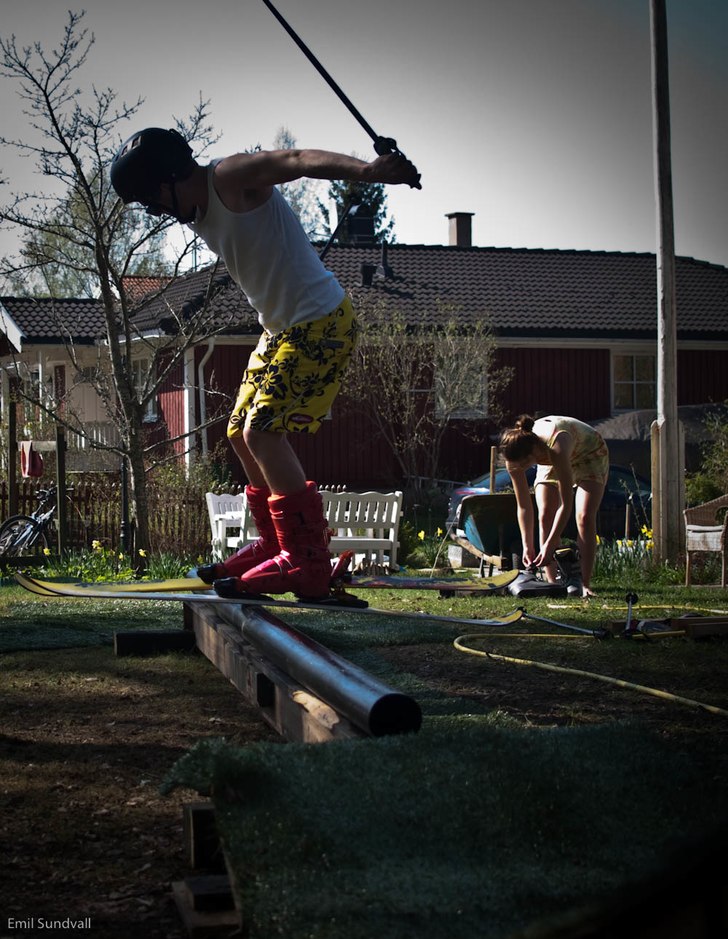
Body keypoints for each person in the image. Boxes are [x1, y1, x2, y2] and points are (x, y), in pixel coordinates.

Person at [110, 127, 420, 599]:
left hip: (320, 322)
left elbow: (295, 159)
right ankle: (276, 542)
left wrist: (369, 172)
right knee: (239, 431)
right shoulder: (198, 208)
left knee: (262, 433)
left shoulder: (229, 177)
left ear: (169, 177)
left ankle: (307, 560)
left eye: (153, 199)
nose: (159, 212)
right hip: (280, 329)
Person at [499, 414, 609, 597]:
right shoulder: (514, 457)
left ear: (532, 453)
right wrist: (527, 546)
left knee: (584, 517)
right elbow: (524, 506)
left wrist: (550, 544)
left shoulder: (555, 446)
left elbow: (566, 504)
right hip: (548, 456)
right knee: (545, 514)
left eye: (523, 465)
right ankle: (552, 585)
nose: (519, 468)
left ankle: (584, 584)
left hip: (588, 452)